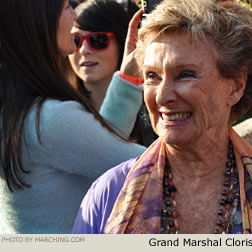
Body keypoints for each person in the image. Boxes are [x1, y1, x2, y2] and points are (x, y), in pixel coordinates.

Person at [72, 0, 252, 234]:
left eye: (185, 74)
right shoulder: (109, 194)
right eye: (152, 76)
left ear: (236, 86)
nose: (162, 96)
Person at [0, 0, 146, 234]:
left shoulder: (19, 112)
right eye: (67, 7)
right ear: (41, 21)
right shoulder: (49, 120)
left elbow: (98, 150)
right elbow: (147, 164)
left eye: (98, 40)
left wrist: (128, 80)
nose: (73, 17)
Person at [68, 0, 157, 146]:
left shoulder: (155, 107)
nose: (84, 50)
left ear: (123, 43)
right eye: (75, 40)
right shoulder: (60, 113)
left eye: (98, 40)